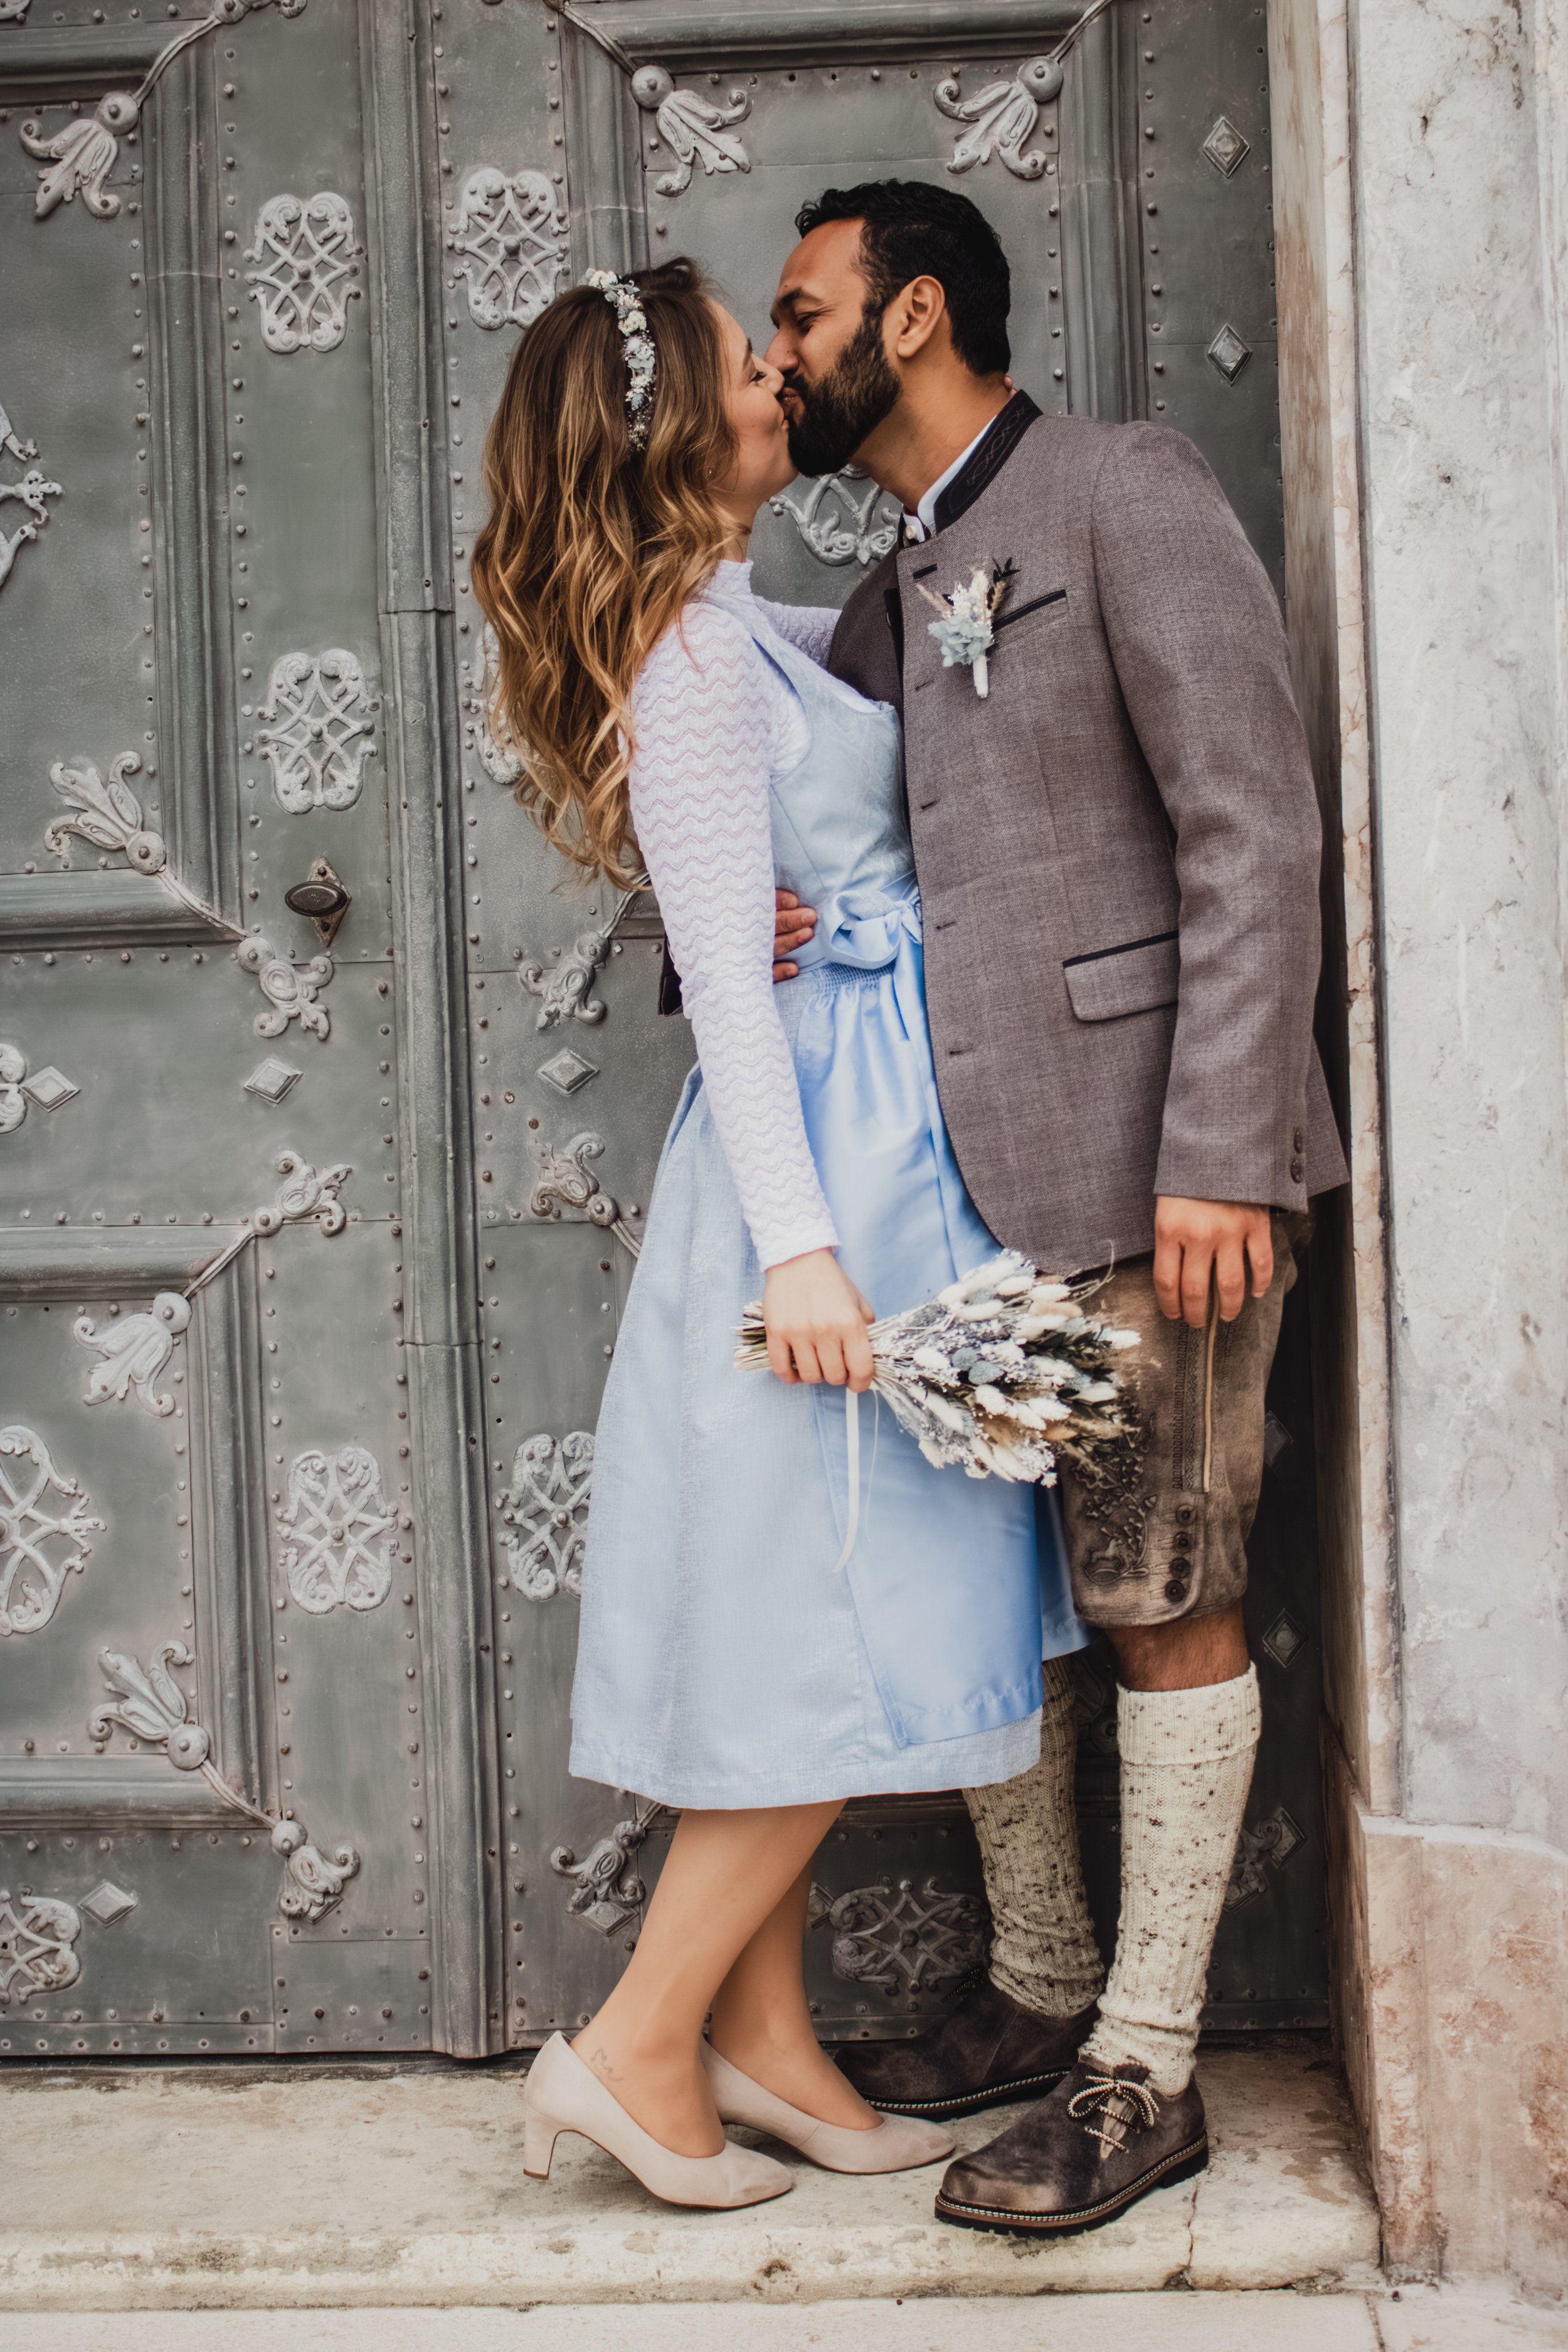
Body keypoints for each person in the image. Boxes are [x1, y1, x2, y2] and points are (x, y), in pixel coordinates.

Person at [762, 181, 1348, 2237]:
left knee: (1158, 1587)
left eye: (802, 311)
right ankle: (1031, 1987)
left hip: (1143, 1171)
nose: (780, 351)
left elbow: (1250, 821)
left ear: (914, 315)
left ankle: (1143, 2069)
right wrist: (764, 918)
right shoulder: (880, 589)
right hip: (946, 1199)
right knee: (990, 1597)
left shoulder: (1118, 488)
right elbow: (834, 833)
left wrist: (1223, 1142)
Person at [470, 259, 1087, 2213]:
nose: (780, 375)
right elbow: (734, 990)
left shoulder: (741, 616)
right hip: (813, 1175)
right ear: (683, 426)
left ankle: (762, 2045)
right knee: (835, 1621)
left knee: (791, 1624)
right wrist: (802, 1254)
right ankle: (635, 2044)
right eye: (753, 360)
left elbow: (894, 714)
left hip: (869, 1133)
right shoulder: (685, 658)